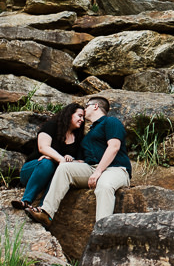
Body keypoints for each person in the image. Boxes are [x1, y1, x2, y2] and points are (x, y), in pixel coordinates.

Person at [27, 96, 131, 225]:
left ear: (95, 106)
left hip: (116, 169)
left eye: (86, 106)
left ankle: (101, 230)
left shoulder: (111, 122)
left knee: (104, 186)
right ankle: (46, 212)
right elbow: (81, 162)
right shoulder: (88, 136)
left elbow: (114, 147)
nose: (84, 110)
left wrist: (98, 171)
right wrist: (53, 158)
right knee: (65, 168)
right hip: (92, 168)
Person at [13, 102, 84, 211]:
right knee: (47, 163)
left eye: (83, 117)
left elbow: (80, 162)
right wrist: (59, 159)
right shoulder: (51, 126)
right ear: (69, 114)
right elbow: (43, 147)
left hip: (55, 175)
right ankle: (26, 201)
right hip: (34, 169)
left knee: (59, 172)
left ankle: (43, 210)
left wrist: (68, 159)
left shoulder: (78, 138)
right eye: (79, 116)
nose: (82, 120)